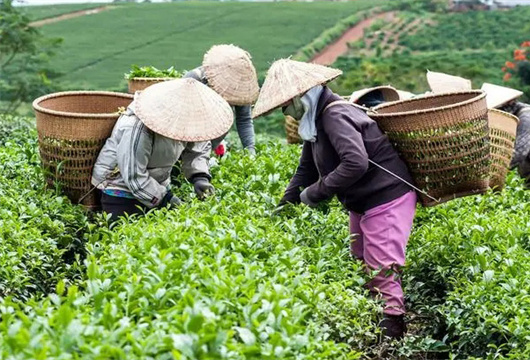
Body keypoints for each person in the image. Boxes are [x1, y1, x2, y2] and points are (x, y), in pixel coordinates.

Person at [253, 59, 418, 339]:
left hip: (386, 197)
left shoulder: (333, 115)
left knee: (381, 266)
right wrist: (285, 204)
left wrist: (317, 192)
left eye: (285, 106)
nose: (286, 114)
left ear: (298, 97)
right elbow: (306, 168)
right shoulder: (315, 121)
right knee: (359, 259)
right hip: (362, 201)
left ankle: (393, 333)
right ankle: (373, 321)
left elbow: (356, 162)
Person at [92, 78, 234, 219]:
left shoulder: (187, 122)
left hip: (156, 184)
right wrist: (165, 199)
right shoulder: (137, 127)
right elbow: (133, 175)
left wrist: (200, 177)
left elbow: (198, 146)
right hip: (120, 189)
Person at [184, 44, 259, 156]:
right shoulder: (194, 79)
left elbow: (244, 119)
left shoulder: (240, 87)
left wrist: (250, 150)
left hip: (215, 136)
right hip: (188, 134)